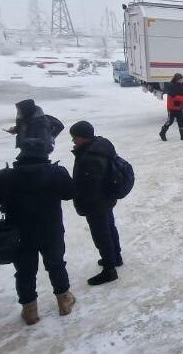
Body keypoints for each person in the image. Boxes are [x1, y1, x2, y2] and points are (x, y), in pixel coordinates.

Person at [0, 138, 76, 325]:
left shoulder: (6, 175)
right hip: (50, 229)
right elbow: (69, 193)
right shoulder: (56, 172)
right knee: (56, 264)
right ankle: (64, 301)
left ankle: (30, 310)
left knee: (25, 271)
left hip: (19, 233)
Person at [70, 121, 122, 287]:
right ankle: (116, 257)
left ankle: (109, 270)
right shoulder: (101, 145)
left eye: (74, 138)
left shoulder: (89, 157)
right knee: (110, 227)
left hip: (96, 201)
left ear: (83, 138)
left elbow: (88, 185)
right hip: (106, 197)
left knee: (101, 235)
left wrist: (81, 200)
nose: (73, 141)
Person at [160, 74, 183, 141]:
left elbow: (182, 94)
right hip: (172, 108)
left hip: (179, 107)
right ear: (176, 79)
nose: (181, 81)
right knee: (170, 121)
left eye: (182, 79)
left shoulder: (180, 86)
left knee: (180, 121)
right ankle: (162, 132)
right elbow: (174, 97)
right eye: (180, 79)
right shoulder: (171, 87)